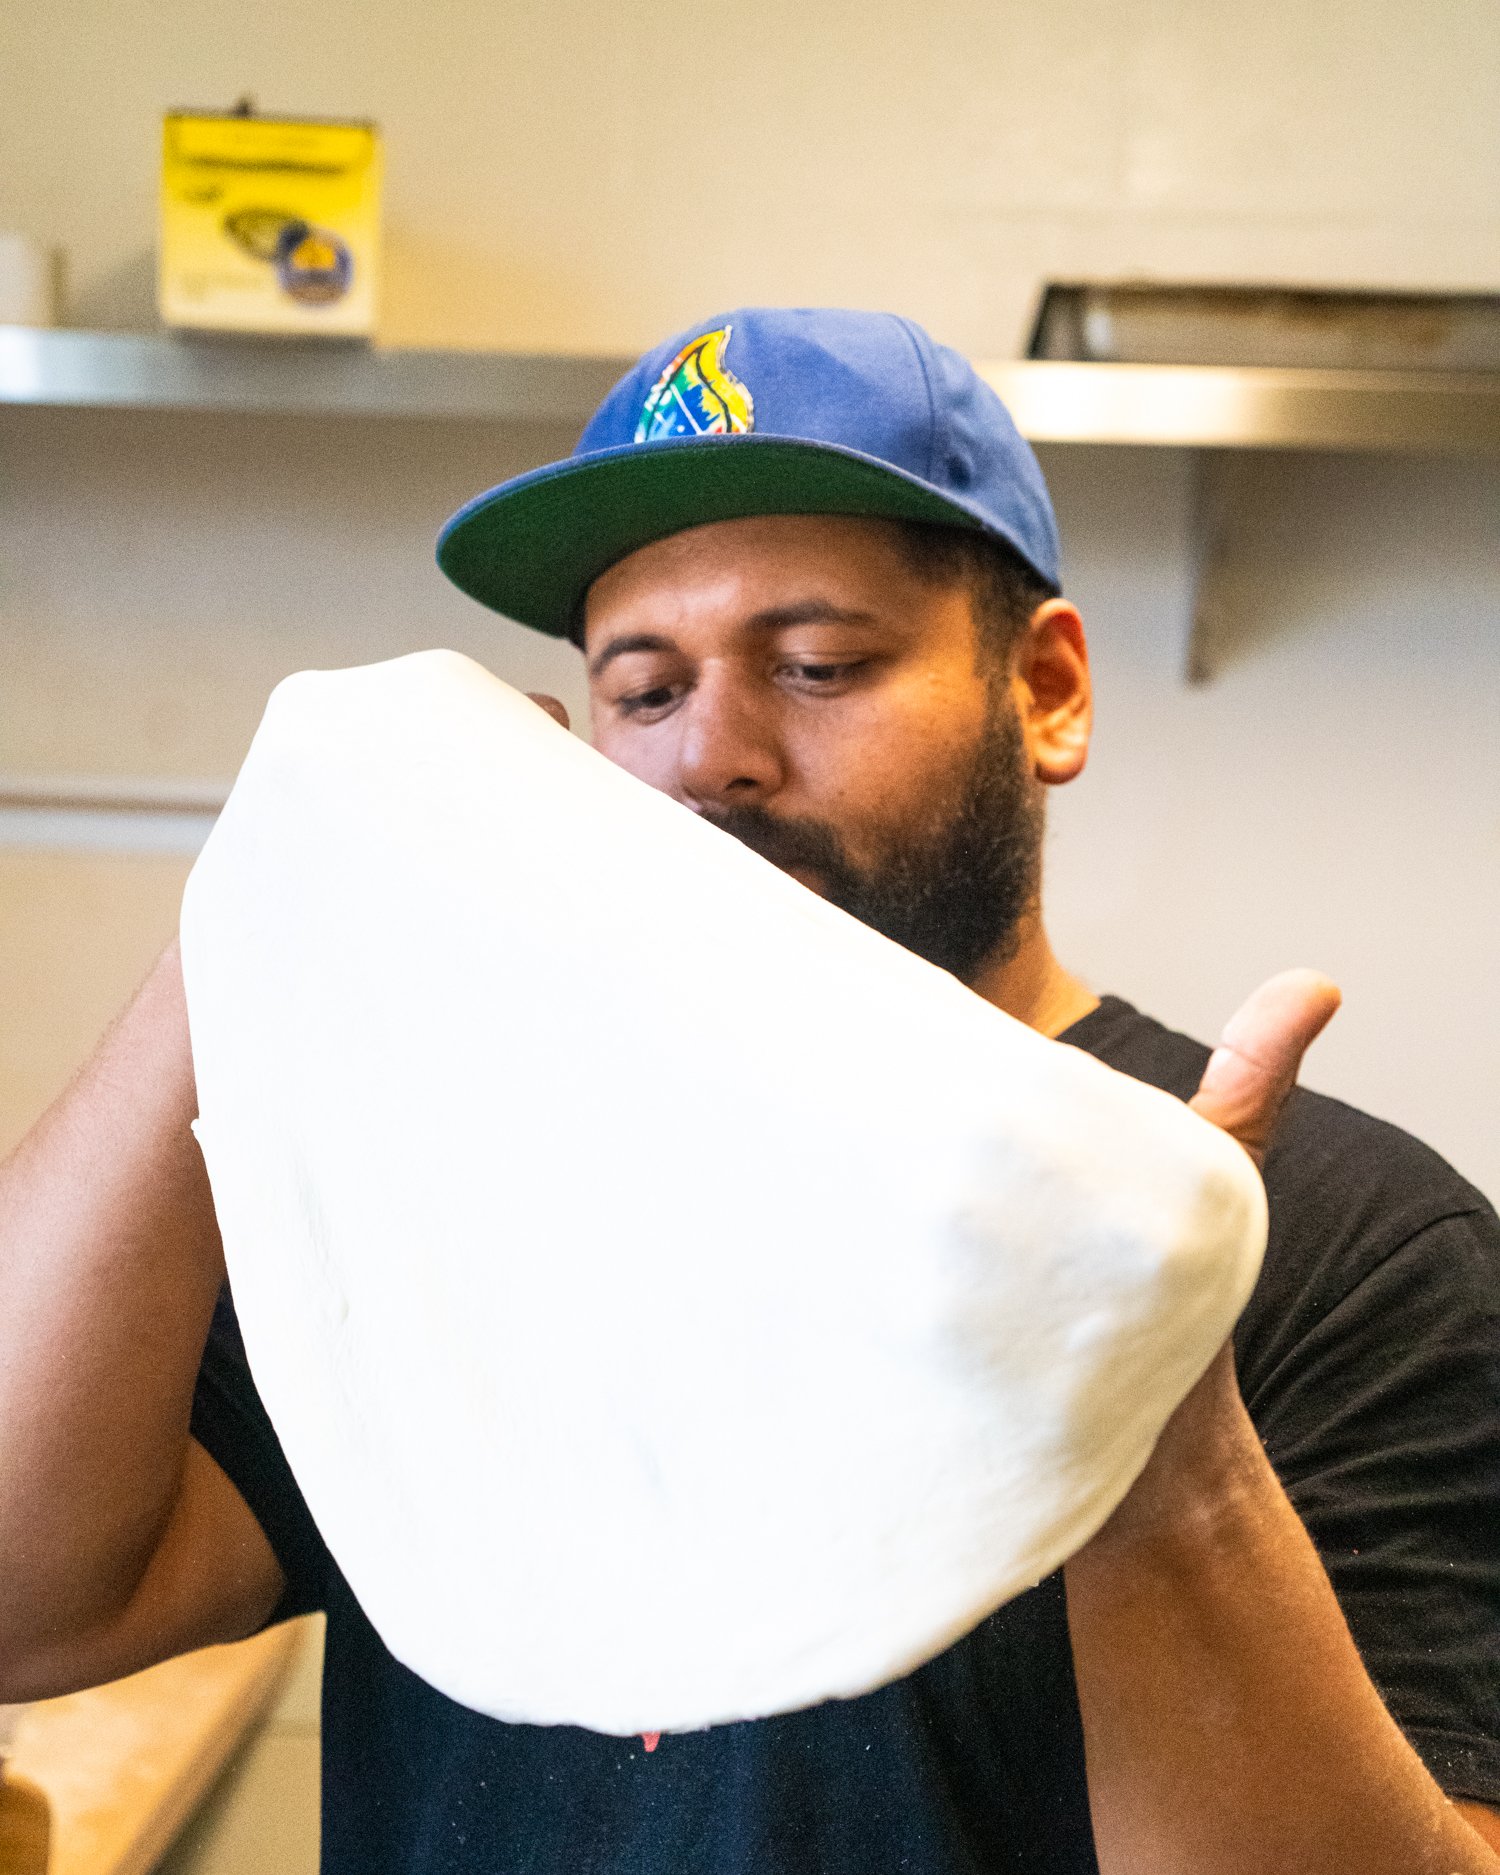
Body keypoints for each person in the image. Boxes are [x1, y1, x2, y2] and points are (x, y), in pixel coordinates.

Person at [0, 307, 1496, 1875]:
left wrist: (1160, 1447)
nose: (715, 756)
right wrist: (243, 922)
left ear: (1045, 692)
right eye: (642, 694)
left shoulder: (1339, 1239)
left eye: (817, 664)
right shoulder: (474, 1196)